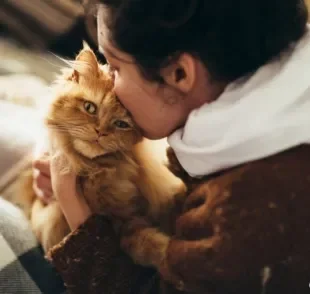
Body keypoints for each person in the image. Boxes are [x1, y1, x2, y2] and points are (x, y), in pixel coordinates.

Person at [3, 0, 310, 293]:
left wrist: (71, 198)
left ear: (180, 74)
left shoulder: (243, 213)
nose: (108, 79)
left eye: (115, 66)